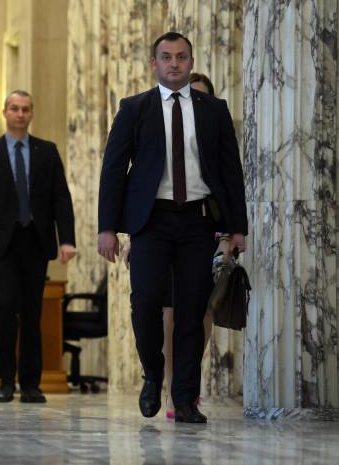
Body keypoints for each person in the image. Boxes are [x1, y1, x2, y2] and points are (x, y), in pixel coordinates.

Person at [97, 32, 247, 424]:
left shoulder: (213, 110)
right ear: (154, 63)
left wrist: (237, 228)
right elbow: (113, 170)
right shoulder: (134, 108)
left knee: (192, 310)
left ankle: (184, 398)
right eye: (166, 57)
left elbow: (231, 172)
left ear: (190, 62)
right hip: (151, 221)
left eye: (181, 57)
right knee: (146, 302)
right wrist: (107, 227)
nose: (174, 64)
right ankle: (152, 373)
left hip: (198, 221)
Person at [0, 90, 76, 404]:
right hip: (2, 243)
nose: (20, 114)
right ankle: (4, 380)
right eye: (14, 108)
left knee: (32, 312)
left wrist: (67, 239)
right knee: (4, 309)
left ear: (31, 114)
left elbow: (61, 198)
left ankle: (31, 384)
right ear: (5, 112)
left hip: (36, 241)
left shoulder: (47, 151)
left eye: (25, 109)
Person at [121, 71, 219, 418]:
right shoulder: (149, 117)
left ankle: (184, 389)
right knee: (160, 308)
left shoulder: (214, 123)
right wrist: (131, 235)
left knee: (197, 311)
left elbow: (227, 177)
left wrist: (229, 232)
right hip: (158, 228)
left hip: (203, 227)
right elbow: (136, 179)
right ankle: (164, 378)